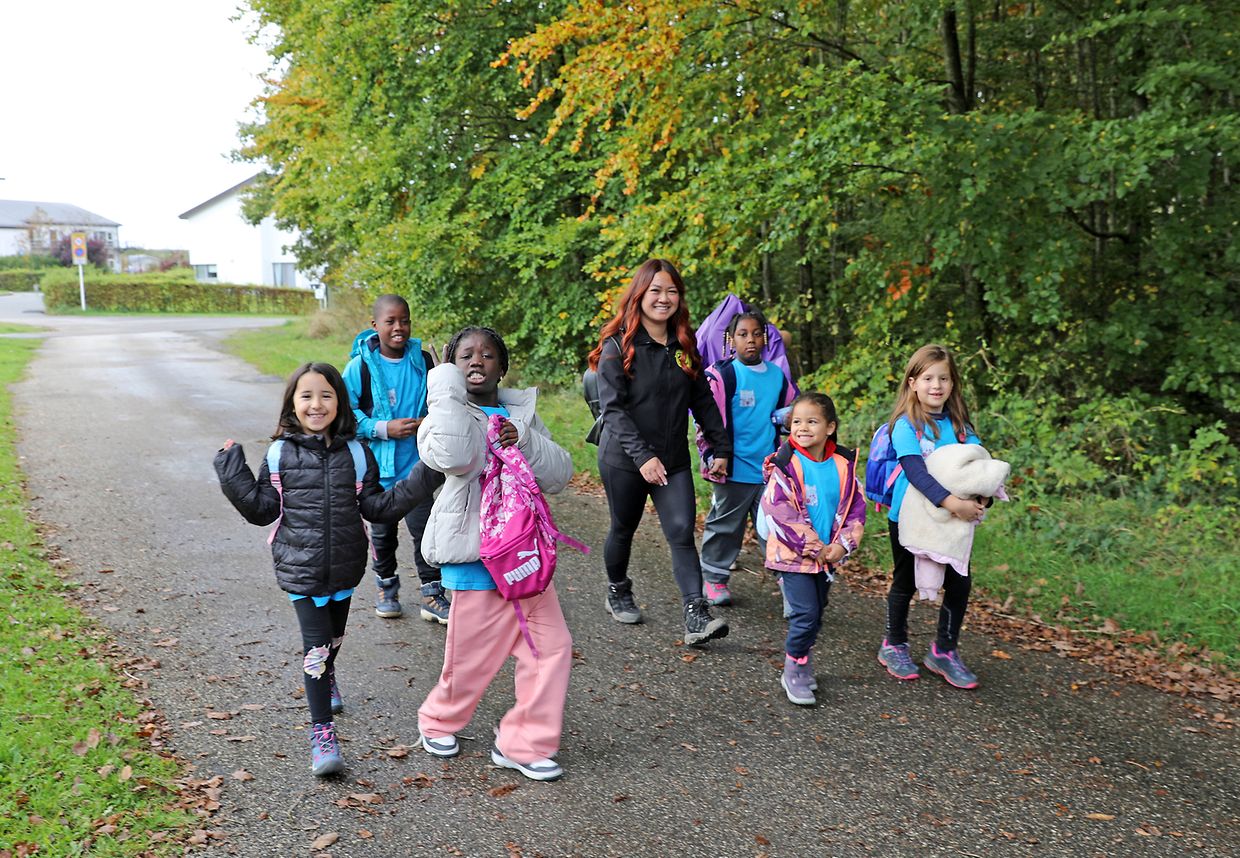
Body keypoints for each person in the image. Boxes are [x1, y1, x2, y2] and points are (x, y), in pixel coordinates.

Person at [214, 362, 442, 776]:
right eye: (306, 396)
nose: (316, 404)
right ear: (292, 404)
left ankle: (328, 674)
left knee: (334, 638)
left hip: (344, 567)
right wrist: (232, 472)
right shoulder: (280, 454)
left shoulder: (357, 454)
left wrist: (425, 475)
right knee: (317, 649)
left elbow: (377, 508)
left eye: (326, 395)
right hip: (299, 569)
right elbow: (262, 510)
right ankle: (323, 734)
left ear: (340, 403)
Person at [415, 327, 575, 782]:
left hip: (525, 556)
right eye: (465, 355)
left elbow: (560, 473)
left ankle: (522, 743)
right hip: (476, 560)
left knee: (552, 649)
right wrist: (444, 386)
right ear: (451, 367)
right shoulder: (443, 411)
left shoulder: (521, 413)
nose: (476, 361)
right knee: (470, 665)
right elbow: (456, 456)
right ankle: (438, 720)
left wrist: (522, 438)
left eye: (487, 355)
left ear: (502, 368)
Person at [588, 258, 733, 645]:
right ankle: (618, 589)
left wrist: (720, 446)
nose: (664, 298)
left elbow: (703, 400)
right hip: (624, 460)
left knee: (682, 531)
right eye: (655, 290)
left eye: (671, 291)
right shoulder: (617, 347)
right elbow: (613, 410)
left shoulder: (684, 346)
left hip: (672, 460)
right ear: (640, 295)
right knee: (623, 528)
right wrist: (643, 457)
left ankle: (696, 614)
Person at [876, 344, 985, 689]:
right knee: (905, 580)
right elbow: (916, 473)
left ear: (953, 384)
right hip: (908, 519)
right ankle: (894, 644)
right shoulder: (905, 426)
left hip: (952, 523)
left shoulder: (961, 427)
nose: (936, 385)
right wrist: (953, 503)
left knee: (959, 583)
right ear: (912, 383)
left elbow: (980, 468)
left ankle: (944, 651)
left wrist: (981, 498)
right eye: (928, 378)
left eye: (944, 378)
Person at [342, 295, 449, 623]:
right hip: (379, 472)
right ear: (375, 325)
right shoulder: (360, 366)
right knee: (383, 535)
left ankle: (432, 594)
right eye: (390, 321)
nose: (398, 327)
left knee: (425, 531)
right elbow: (345, 414)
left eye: (404, 320)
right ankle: (386, 588)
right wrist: (383, 428)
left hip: (417, 467)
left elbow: (439, 401)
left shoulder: (422, 360)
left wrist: (428, 421)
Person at [761, 393, 865, 705]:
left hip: (827, 558)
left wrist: (842, 545)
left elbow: (855, 510)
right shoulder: (786, 465)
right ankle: (793, 667)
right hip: (792, 556)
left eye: (812, 421)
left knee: (817, 613)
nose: (803, 427)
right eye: (796, 421)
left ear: (830, 427)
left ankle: (803, 659)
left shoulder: (843, 465)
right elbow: (779, 512)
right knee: (805, 614)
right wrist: (813, 546)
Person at [698, 309, 797, 606]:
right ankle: (714, 579)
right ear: (731, 340)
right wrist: (714, 455)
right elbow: (706, 421)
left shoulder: (777, 376)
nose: (750, 340)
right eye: (742, 334)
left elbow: (789, 415)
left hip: (769, 471)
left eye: (756, 334)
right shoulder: (722, 375)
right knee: (725, 526)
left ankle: (792, 587)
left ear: (765, 339)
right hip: (732, 469)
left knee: (777, 527)